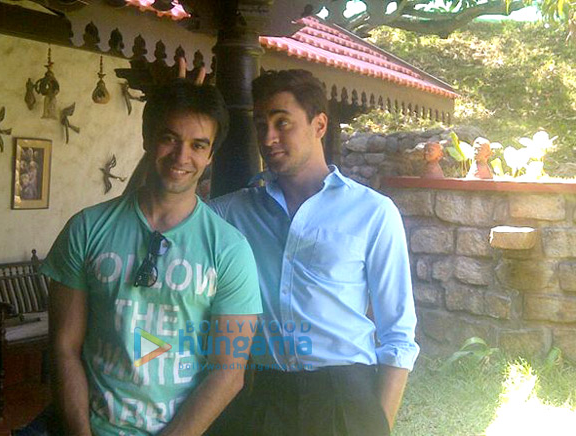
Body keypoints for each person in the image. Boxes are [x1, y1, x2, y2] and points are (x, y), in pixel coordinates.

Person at [39, 81, 263, 436]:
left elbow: (228, 371)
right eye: (169, 138)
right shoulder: (87, 229)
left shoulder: (230, 250)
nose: (181, 156)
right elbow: (65, 346)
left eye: (198, 145)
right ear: (147, 138)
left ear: (210, 156)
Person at [209, 69, 419, 436]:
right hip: (262, 395)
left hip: (344, 397)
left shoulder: (372, 212)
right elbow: (166, 211)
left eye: (282, 123)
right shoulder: (232, 212)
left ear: (319, 125)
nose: (268, 138)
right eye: (260, 125)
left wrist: (375, 426)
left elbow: (397, 334)